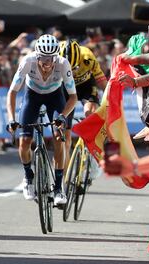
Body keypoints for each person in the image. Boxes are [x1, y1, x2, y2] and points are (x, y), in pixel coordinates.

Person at [6, 34, 77, 205]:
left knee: (59, 137)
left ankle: (59, 188)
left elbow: (73, 97)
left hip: (55, 97)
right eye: (43, 58)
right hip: (32, 96)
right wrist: (11, 118)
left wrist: (62, 116)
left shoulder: (62, 64)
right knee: (24, 141)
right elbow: (12, 92)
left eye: (50, 58)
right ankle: (28, 176)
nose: (47, 63)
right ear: (37, 56)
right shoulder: (27, 62)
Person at [58, 39, 108, 180]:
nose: (72, 71)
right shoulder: (55, 59)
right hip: (66, 89)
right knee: (64, 138)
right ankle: (64, 178)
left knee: (90, 114)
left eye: (74, 67)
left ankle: (93, 159)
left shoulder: (87, 56)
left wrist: (111, 99)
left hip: (86, 87)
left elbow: (102, 81)